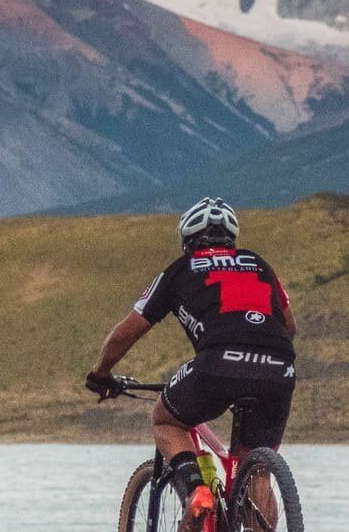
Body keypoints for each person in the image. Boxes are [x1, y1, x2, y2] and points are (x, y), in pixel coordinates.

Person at [85, 197, 296, 529]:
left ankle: (198, 492)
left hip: (217, 364)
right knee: (256, 471)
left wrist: (101, 373)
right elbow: (290, 327)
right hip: (280, 368)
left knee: (167, 420)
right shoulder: (259, 264)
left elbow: (127, 332)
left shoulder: (179, 270)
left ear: (187, 241)